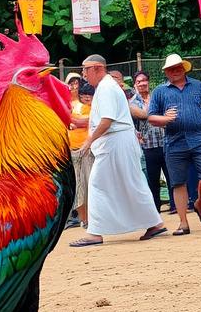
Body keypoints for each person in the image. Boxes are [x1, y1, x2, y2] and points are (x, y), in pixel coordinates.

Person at [70, 55, 166, 246]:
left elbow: (107, 121)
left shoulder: (106, 88)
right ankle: (154, 223)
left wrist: (89, 140)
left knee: (97, 183)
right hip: (116, 142)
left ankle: (95, 233)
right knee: (132, 182)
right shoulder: (106, 87)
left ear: (97, 68)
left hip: (115, 142)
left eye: (85, 70)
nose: (83, 74)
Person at [147, 53, 201, 235]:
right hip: (174, 140)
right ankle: (183, 223)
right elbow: (151, 117)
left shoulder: (198, 86)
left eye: (178, 67)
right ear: (166, 72)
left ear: (184, 68)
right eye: (171, 69)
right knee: (178, 182)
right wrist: (165, 118)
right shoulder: (159, 91)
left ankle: (199, 204)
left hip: (200, 137)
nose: (175, 71)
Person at [128, 71, 168, 212]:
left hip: (165, 141)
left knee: (171, 176)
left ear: (148, 82)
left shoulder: (158, 97)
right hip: (147, 145)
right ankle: (155, 208)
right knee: (152, 179)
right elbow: (134, 121)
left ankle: (176, 205)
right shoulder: (131, 103)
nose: (142, 83)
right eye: (139, 81)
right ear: (135, 84)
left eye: (144, 80)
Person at [67, 80, 93, 228]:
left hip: (86, 149)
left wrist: (69, 119)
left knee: (89, 183)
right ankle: (84, 220)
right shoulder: (64, 105)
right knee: (78, 187)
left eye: (76, 83)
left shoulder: (86, 106)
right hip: (70, 150)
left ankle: (91, 218)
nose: (73, 86)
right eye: (71, 83)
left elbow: (87, 122)